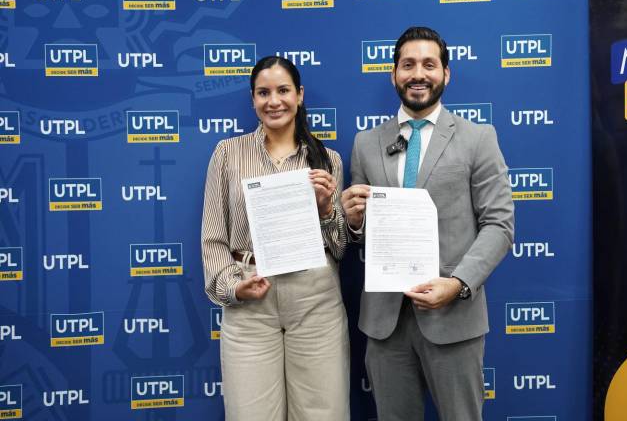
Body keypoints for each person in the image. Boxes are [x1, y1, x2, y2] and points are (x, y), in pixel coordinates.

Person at [342, 26, 514, 420]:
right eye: (408, 65)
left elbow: (499, 225)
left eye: (429, 64)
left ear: (446, 74)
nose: (418, 74)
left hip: (453, 317)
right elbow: (364, 230)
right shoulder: (365, 143)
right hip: (385, 323)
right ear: (394, 74)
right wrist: (353, 222)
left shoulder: (478, 138)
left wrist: (456, 285)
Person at [201, 56, 349, 421]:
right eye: (263, 92)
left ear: (299, 96)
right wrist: (234, 288)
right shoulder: (227, 153)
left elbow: (342, 247)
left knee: (323, 414)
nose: (274, 101)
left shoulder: (327, 160)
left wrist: (327, 207)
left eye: (283, 90)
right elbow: (213, 238)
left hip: (315, 300)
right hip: (251, 300)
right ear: (252, 99)